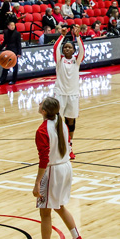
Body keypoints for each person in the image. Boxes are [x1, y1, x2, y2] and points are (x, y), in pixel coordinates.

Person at [28, 96, 90, 239]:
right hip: (66, 167)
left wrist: (37, 182)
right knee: (59, 207)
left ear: (44, 111)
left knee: (45, 212)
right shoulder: (61, 122)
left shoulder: (42, 130)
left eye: (41, 103)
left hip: (53, 170)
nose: (38, 103)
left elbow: (43, 159)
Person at [53, 30, 85, 158]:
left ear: (73, 51)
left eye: (69, 47)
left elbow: (82, 50)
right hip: (60, 94)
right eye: (65, 47)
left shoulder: (76, 61)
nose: (67, 49)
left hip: (73, 94)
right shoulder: (59, 60)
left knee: (71, 121)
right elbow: (55, 47)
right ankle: (57, 146)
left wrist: (77, 37)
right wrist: (62, 35)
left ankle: (69, 145)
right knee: (57, 121)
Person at [0, 21, 22, 85]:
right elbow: (5, 42)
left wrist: (19, 53)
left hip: (14, 51)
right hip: (8, 50)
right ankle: (2, 80)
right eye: (11, 25)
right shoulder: (6, 32)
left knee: (15, 66)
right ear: (8, 26)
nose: (12, 26)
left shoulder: (17, 33)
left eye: (13, 25)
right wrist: (0, 48)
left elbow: (19, 44)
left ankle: (14, 80)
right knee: (5, 65)